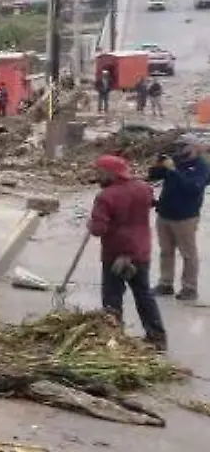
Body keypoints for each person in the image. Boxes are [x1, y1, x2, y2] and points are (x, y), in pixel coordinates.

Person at [88, 155, 167, 350]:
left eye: (99, 172)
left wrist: (91, 224)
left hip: (116, 254)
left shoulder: (106, 196)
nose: (96, 176)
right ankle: (156, 336)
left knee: (112, 297)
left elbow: (99, 229)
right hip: (139, 251)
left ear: (109, 173)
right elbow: (151, 203)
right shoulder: (143, 188)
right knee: (143, 294)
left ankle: (114, 337)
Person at [148, 133, 210, 301]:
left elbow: (193, 188)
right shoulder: (176, 160)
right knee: (166, 251)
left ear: (194, 147)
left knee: (188, 253)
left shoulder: (201, 166)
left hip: (186, 216)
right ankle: (165, 283)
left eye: (184, 145)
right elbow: (152, 176)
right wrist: (158, 164)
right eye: (179, 145)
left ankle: (189, 287)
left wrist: (173, 170)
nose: (180, 149)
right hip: (165, 213)